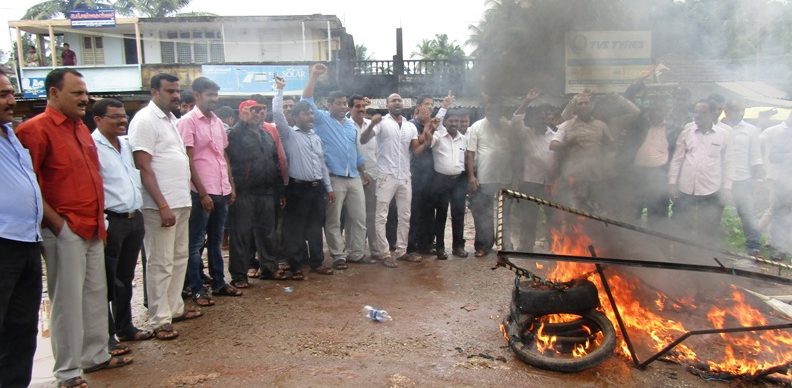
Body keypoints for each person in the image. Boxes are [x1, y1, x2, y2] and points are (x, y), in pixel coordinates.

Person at [16, 68, 132, 388]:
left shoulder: (80, 128)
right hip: (63, 229)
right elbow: (31, 182)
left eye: (85, 93)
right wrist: (57, 222)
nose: (84, 99)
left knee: (95, 294)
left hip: (93, 225)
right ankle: (67, 372)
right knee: (67, 301)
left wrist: (100, 223)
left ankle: (94, 356)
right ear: (53, 94)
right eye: (76, 93)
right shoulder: (34, 130)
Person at [128, 73, 198, 341]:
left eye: (177, 90)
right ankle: (159, 319)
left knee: (179, 258)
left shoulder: (172, 120)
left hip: (181, 201)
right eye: (170, 91)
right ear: (154, 91)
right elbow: (143, 167)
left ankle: (175, 309)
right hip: (161, 206)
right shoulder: (145, 120)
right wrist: (162, 204)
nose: (176, 95)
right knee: (160, 262)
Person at [91, 98, 153, 358]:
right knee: (105, 281)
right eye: (115, 117)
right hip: (111, 221)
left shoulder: (126, 145)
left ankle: (125, 326)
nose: (122, 121)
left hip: (132, 219)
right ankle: (107, 337)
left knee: (125, 278)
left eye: (123, 117)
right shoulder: (92, 146)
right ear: (98, 120)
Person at [177, 77, 241, 306]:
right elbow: (188, 159)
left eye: (216, 94)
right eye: (209, 95)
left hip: (221, 189)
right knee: (195, 243)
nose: (214, 99)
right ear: (196, 95)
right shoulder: (187, 122)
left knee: (215, 240)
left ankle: (219, 282)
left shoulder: (216, 122)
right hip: (200, 192)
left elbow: (223, 156)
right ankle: (196, 289)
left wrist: (230, 186)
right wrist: (202, 193)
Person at [302, 63, 371, 269]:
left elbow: (356, 152)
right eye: (339, 103)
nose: (342, 106)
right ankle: (338, 255)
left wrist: (363, 171)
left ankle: (356, 253)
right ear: (329, 105)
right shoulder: (321, 119)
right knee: (333, 220)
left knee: (359, 218)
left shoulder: (351, 126)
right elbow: (306, 99)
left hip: (354, 177)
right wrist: (314, 75)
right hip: (333, 177)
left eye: (344, 103)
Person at [0, 68, 44, 388]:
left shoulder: (11, 134)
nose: (11, 100)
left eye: (10, 93)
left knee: (23, 326)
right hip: (3, 241)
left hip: (28, 240)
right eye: (3, 95)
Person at [272, 76, 336, 279]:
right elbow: (277, 113)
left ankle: (317, 263)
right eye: (307, 113)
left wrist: (328, 187)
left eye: (311, 113)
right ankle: (296, 266)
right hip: (297, 189)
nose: (311, 116)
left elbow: (322, 164)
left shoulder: (315, 137)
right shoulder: (289, 134)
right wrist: (279, 90)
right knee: (296, 229)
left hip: (317, 189)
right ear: (296, 116)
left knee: (316, 227)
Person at [360, 93, 431, 268]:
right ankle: (384, 253)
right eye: (393, 100)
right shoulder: (381, 123)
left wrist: (427, 141)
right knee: (381, 215)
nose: (397, 102)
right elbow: (363, 139)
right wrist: (372, 125)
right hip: (386, 175)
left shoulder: (409, 126)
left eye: (399, 100)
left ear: (403, 104)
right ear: (387, 104)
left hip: (405, 176)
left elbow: (415, 151)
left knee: (405, 215)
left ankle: (401, 251)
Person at [226, 99, 284, 287]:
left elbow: (275, 163)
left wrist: (279, 190)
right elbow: (227, 161)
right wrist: (233, 188)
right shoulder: (233, 134)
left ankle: (269, 268)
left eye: (262, 110)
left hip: (266, 191)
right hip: (244, 191)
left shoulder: (266, 134)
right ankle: (239, 275)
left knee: (268, 233)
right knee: (241, 235)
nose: (259, 113)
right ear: (242, 112)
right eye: (254, 110)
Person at [668, 99, 733, 243]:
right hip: (686, 187)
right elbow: (677, 159)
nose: (696, 115)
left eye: (702, 112)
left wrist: (727, 188)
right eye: (695, 112)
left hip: (711, 188)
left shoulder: (724, 134)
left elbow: (728, 163)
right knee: (681, 224)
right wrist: (672, 183)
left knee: (709, 227)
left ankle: (706, 257)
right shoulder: (687, 132)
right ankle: (680, 255)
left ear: (712, 114)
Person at [466, 97, 515, 257]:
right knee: (483, 212)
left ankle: (505, 244)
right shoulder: (476, 127)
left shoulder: (508, 126)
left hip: (505, 176)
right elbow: (471, 153)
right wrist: (471, 176)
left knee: (505, 212)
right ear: (485, 110)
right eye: (489, 109)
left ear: (500, 110)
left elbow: (516, 152)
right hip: (484, 176)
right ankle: (483, 245)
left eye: (495, 109)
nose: (492, 112)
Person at [550, 92, 613, 213]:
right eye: (580, 103)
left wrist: (607, 166)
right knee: (574, 213)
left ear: (591, 106)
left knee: (596, 213)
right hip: (573, 177)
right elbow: (553, 145)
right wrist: (568, 144)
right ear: (575, 107)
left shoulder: (601, 126)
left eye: (586, 103)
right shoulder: (566, 125)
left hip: (596, 177)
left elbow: (611, 148)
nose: (584, 106)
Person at [423, 95, 467, 260]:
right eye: (451, 121)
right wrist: (442, 109)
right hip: (440, 181)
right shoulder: (438, 137)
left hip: (459, 181)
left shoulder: (464, 139)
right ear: (445, 123)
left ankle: (458, 247)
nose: (454, 124)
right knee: (440, 215)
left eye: (457, 121)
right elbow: (427, 140)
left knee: (458, 214)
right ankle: (440, 248)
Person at [509, 90, 554, 252]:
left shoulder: (554, 135)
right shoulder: (526, 134)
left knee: (552, 217)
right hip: (530, 182)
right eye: (540, 115)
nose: (543, 118)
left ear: (550, 118)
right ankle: (526, 246)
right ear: (535, 118)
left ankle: (554, 245)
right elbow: (515, 121)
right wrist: (526, 101)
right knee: (528, 217)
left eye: (547, 115)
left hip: (550, 184)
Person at [722, 98, 763, 256]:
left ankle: (753, 245)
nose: (740, 113)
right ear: (727, 111)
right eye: (736, 110)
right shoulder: (720, 128)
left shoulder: (751, 130)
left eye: (742, 110)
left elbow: (756, 156)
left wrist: (758, 179)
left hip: (742, 178)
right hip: (720, 179)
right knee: (713, 212)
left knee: (747, 213)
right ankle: (709, 243)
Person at [407, 95, 437, 257]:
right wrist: (427, 126)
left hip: (431, 173)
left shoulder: (433, 124)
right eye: (426, 104)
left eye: (432, 104)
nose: (430, 107)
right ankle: (413, 244)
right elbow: (417, 151)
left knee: (429, 210)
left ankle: (427, 243)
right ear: (418, 107)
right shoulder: (411, 125)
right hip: (416, 173)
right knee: (415, 210)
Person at [760, 113, 792, 262]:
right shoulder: (781, 133)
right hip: (784, 180)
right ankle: (779, 248)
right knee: (780, 214)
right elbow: (773, 156)